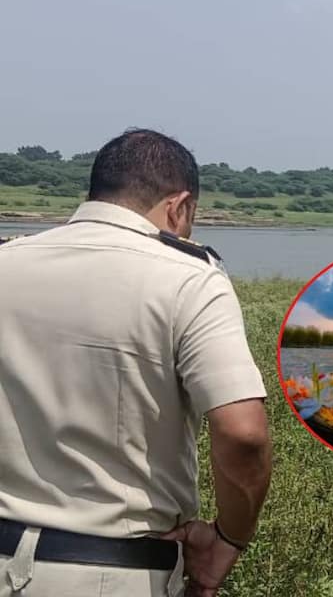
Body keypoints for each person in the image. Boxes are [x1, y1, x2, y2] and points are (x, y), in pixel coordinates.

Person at [0, 129, 272, 596]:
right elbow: (244, 435)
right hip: (114, 572)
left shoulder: (8, 259)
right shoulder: (190, 278)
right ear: (179, 206)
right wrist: (229, 538)